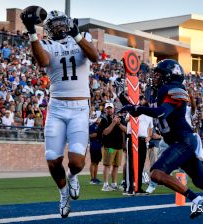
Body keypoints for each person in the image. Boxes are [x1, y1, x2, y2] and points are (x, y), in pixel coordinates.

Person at [119, 59, 203, 224]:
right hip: (180, 142)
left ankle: (196, 200)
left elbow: (160, 113)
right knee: (202, 181)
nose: (155, 77)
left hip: (184, 141)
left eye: (158, 74)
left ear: (168, 76)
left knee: (156, 173)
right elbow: (138, 111)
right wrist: (125, 102)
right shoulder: (158, 92)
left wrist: (136, 108)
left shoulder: (175, 90)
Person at [20, 8, 98, 218]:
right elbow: (43, 61)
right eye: (54, 24)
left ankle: (73, 176)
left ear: (69, 23)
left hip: (80, 107)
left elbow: (95, 56)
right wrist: (31, 32)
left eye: (62, 23)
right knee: (53, 160)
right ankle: (63, 193)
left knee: (77, 162)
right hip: (56, 107)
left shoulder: (82, 38)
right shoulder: (45, 43)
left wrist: (77, 35)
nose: (59, 27)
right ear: (48, 29)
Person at [98, 102, 126, 191]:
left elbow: (126, 130)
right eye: (108, 108)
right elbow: (105, 132)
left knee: (116, 166)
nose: (109, 110)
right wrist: (113, 123)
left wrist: (118, 123)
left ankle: (114, 184)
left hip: (119, 147)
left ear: (114, 109)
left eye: (111, 108)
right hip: (109, 147)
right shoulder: (104, 119)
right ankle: (105, 185)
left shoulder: (120, 118)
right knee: (107, 165)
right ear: (105, 109)